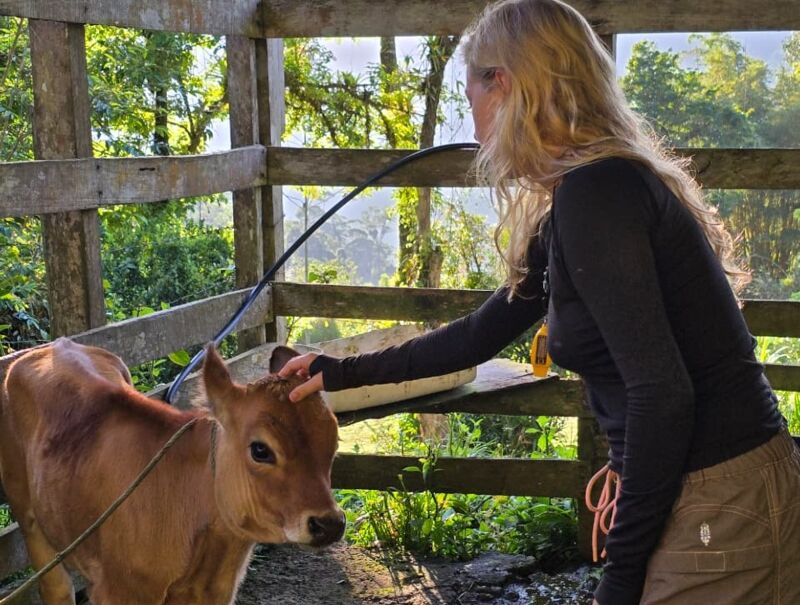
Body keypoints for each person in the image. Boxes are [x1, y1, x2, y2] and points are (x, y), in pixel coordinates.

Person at [278, 0, 800, 603]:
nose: (470, 117)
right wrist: (335, 373)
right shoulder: (583, 199)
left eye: (470, 90)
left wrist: (622, 578)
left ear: (505, 85)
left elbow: (663, 393)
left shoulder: (599, 196)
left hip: (724, 500)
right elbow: (476, 337)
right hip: (704, 491)